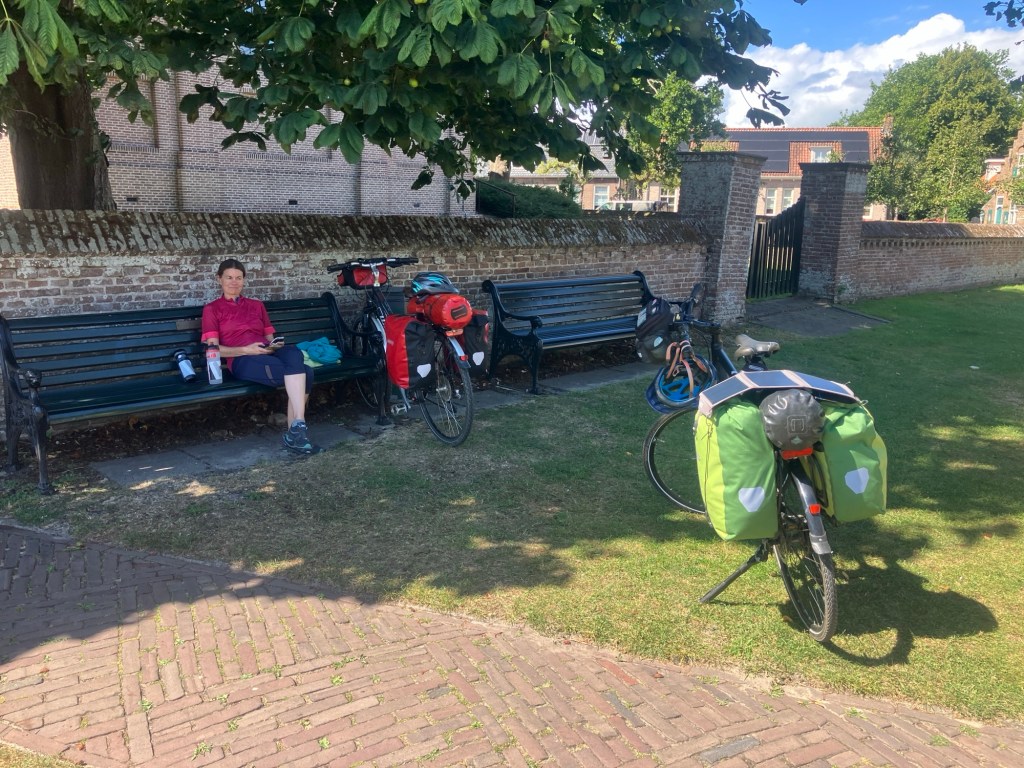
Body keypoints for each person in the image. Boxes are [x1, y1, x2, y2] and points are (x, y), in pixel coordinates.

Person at [201, 259, 321, 455]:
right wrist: (247, 350)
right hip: (242, 360)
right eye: (229, 277)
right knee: (306, 372)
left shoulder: (256, 305)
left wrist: (273, 347)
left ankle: (297, 427)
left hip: (266, 352)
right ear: (219, 279)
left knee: (293, 352)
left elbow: (271, 339)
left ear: (244, 280)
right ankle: (296, 432)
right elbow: (213, 350)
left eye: (238, 278)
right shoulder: (212, 309)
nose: (234, 282)